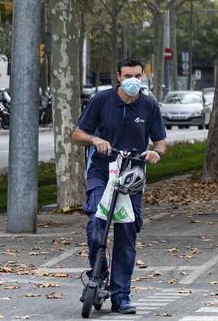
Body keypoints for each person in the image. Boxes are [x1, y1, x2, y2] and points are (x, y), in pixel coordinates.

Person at [70, 58, 167, 315]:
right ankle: (98, 275)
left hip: (132, 176)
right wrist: (95, 140)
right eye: (127, 76)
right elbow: (77, 134)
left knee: (127, 233)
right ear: (118, 77)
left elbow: (160, 142)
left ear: (143, 76)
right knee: (96, 224)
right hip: (102, 171)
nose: (133, 80)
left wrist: (156, 153)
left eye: (138, 75)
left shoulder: (149, 106)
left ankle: (121, 295)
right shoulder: (101, 101)